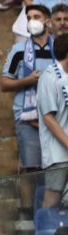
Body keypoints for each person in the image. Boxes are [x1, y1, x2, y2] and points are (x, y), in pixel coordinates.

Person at [3, 5, 55, 197]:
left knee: (55, 167)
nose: (32, 20)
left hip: (56, 116)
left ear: (47, 21)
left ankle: (51, 210)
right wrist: (28, 80)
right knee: (30, 168)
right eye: (29, 17)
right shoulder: (18, 50)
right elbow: (5, 83)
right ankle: (27, 212)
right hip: (27, 117)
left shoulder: (60, 48)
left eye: (37, 16)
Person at [38, 34, 68, 207]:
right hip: (58, 154)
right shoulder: (49, 77)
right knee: (53, 198)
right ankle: (46, 226)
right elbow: (49, 118)